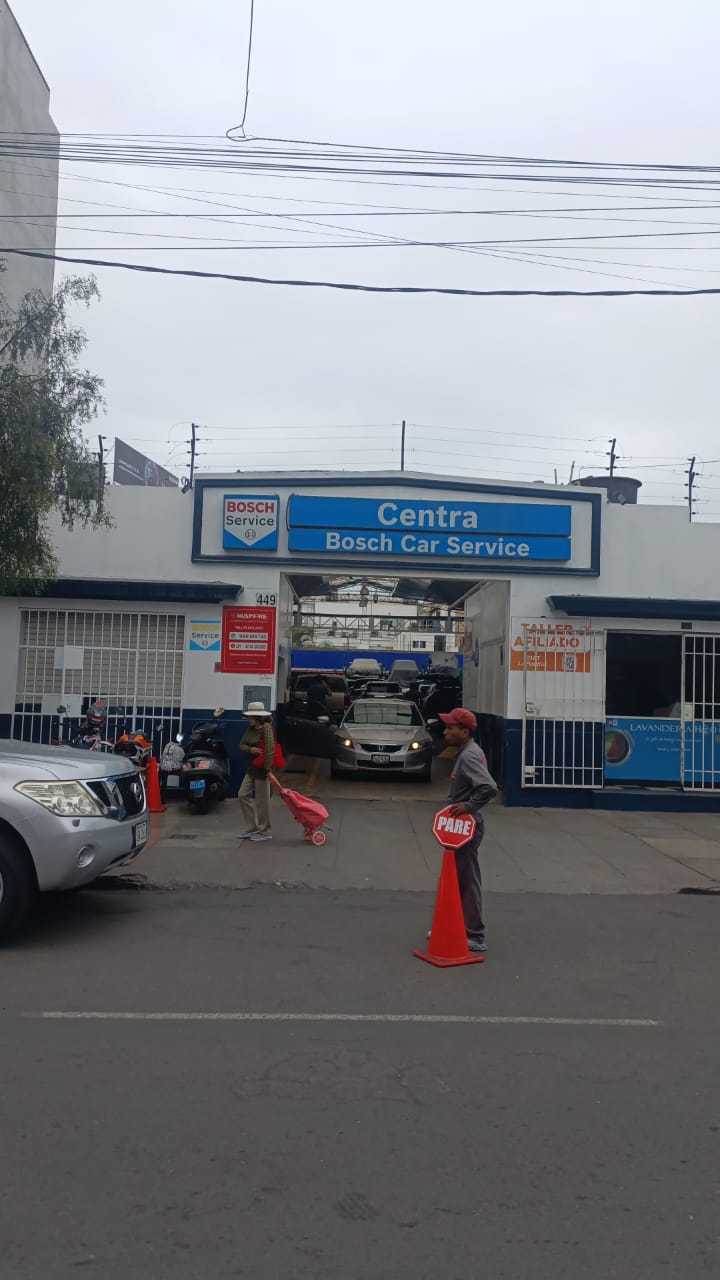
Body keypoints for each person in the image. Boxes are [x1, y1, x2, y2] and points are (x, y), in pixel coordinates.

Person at [438, 707, 498, 953]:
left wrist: (468, 806)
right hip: (460, 826)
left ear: (464, 731)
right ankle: (455, 925)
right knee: (457, 878)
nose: (445, 732)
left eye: (450, 728)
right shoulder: (466, 751)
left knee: (467, 880)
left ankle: (475, 935)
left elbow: (489, 787)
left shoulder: (469, 755)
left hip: (467, 826)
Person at [237, 702, 275, 843]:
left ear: (257, 717)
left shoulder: (266, 728)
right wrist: (251, 749)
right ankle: (252, 827)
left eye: (250, 716)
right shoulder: (250, 729)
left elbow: (270, 750)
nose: (248, 719)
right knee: (242, 794)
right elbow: (241, 745)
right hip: (252, 768)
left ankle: (265, 831)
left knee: (262, 802)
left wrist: (267, 769)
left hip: (262, 769)